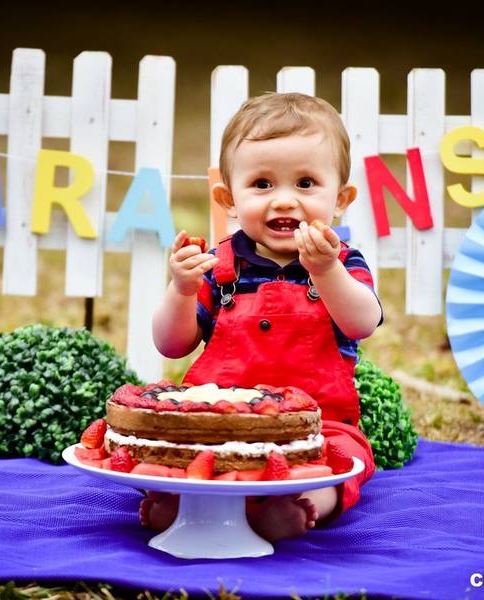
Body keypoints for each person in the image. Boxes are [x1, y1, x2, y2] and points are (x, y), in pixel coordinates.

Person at [146, 92, 382, 541]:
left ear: (341, 199)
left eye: (307, 183)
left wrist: (326, 271)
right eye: (263, 184)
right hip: (215, 419)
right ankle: (180, 502)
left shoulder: (343, 262)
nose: (284, 201)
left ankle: (305, 502)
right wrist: (180, 290)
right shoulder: (217, 266)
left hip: (316, 421)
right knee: (182, 449)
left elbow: (361, 323)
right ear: (227, 198)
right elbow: (172, 345)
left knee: (344, 457)